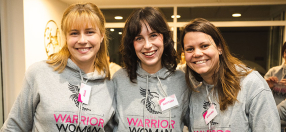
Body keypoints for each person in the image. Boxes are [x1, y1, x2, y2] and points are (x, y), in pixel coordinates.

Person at [1, 3, 115, 131]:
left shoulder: (110, 84)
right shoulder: (40, 73)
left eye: (89, 32)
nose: (82, 40)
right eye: (74, 33)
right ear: (65, 37)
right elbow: (13, 127)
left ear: (101, 35)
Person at [181, 18, 280, 131]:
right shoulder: (193, 91)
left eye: (204, 46)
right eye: (190, 49)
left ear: (219, 48)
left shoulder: (250, 83)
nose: (197, 53)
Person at [112, 7, 189, 132]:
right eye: (139, 38)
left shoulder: (181, 80)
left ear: (164, 38)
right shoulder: (119, 79)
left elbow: (196, 123)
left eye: (153, 35)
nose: (147, 45)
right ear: (131, 43)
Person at [265, 41, 286, 132]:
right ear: (283, 54)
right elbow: (259, 95)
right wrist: (268, 86)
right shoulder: (273, 71)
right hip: (271, 121)